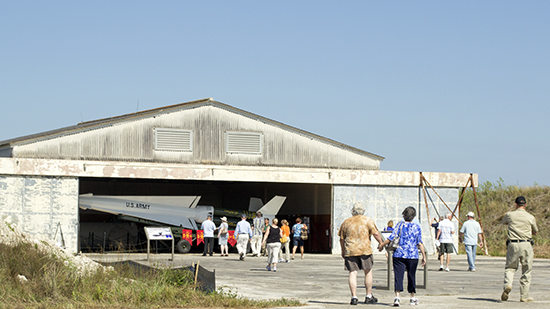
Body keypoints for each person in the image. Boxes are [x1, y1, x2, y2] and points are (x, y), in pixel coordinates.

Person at [378, 206, 426, 307]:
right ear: (413, 216)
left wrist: (382, 244)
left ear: (404, 215)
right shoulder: (416, 227)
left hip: (399, 254)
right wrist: (424, 256)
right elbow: (420, 242)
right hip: (412, 255)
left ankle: (397, 297)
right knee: (411, 276)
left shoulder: (399, 225)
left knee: (398, 275)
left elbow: (391, 238)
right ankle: (412, 297)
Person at [338, 202, 383, 305]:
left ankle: (354, 297)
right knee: (368, 271)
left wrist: (343, 250)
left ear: (352, 211)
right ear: (363, 211)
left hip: (351, 250)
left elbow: (341, 239)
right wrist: (381, 243)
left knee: (352, 273)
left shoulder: (346, 222)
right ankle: (368, 296)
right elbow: (376, 233)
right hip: (365, 250)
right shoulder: (367, 220)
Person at [500, 196, 538, 302]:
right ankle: (524, 296)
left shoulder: (510, 215)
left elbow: (503, 222)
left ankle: (508, 285)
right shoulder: (530, 217)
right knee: (526, 270)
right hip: (526, 244)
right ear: (525, 205)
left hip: (513, 243)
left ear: (516, 204)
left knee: (510, 267)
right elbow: (535, 231)